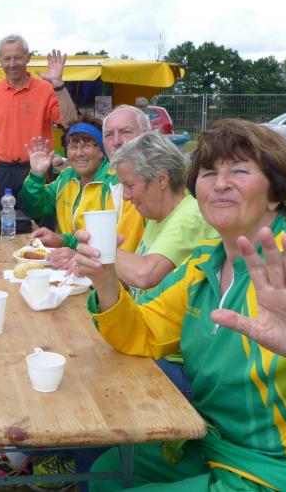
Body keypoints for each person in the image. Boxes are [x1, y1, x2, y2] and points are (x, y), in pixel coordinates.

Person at [75, 119, 286, 490]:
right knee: (106, 472)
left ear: (275, 191)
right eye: (209, 172)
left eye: (240, 170)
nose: (220, 183)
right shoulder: (205, 264)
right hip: (221, 445)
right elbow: (144, 333)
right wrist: (106, 282)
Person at [111, 132, 218, 400]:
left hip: (178, 363)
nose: (126, 196)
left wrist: (99, 251)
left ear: (161, 179)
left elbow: (145, 275)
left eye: (130, 185)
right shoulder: (156, 218)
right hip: (150, 341)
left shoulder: (190, 216)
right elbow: (134, 283)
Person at [0, 34, 78, 209]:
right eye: (7, 58)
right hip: (1, 172)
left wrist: (58, 85)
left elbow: (70, 122)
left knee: (40, 222)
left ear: (28, 57)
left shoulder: (46, 89)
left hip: (37, 170)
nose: (12, 64)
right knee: (0, 223)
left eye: (17, 57)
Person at [20, 118, 142, 259]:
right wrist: (36, 176)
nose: (79, 153)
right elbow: (35, 209)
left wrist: (63, 241)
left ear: (101, 151)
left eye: (87, 146)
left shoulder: (117, 182)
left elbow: (117, 242)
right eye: (73, 147)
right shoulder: (66, 177)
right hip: (66, 262)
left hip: (102, 266)